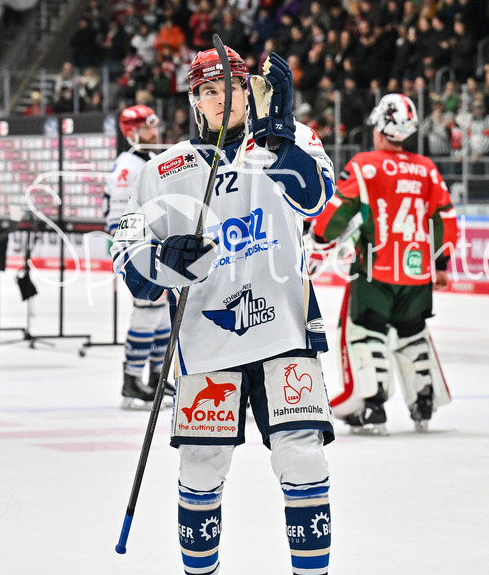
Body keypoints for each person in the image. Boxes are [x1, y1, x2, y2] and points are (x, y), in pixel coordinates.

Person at [112, 46, 336, 574]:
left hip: (284, 330)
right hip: (206, 343)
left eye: (231, 86)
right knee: (201, 465)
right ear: (194, 101)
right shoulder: (162, 168)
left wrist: (280, 144)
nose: (221, 98)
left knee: (302, 456)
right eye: (209, 90)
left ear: (250, 90)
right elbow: (125, 250)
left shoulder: (293, 138)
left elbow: (317, 198)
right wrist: (160, 261)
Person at [310, 93, 459, 435]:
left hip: (374, 268)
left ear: (379, 127)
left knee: (366, 334)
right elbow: (445, 217)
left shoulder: (365, 163)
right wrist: (441, 263)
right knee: (411, 333)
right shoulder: (427, 168)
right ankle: (423, 402)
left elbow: (338, 208)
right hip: (417, 271)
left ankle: (372, 405)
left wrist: (319, 238)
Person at [105, 104, 174, 408]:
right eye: (147, 127)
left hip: (154, 244)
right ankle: (131, 381)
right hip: (140, 247)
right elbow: (121, 217)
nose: (154, 132)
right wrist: (136, 256)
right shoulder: (127, 167)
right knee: (146, 312)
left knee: (160, 314)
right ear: (132, 132)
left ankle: (156, 377)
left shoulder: (147, 160)